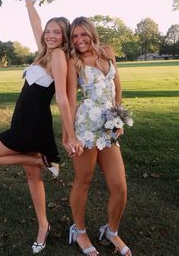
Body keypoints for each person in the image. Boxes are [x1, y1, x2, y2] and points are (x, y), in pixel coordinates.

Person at [0, 0, 82, 254]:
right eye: (49, 31)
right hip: (25, 120)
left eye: (57, 32)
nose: (50, 35)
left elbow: (63, 99)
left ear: (65, 36)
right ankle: (43, 226)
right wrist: (28, 1)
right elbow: (36, 24)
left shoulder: (58, 57)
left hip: (31, 124)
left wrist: (70, 135)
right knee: (32, 177)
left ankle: (42, 160)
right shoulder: (45, 51)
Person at [63, 16, 132, 256]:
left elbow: (117, 87)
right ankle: (79, 230)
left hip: (108, 127)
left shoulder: (107, 53)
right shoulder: (74, 62)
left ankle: (111, 231)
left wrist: (119, 118)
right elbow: (70, 99)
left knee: (120, 186)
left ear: (92, 33)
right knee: (84, 180)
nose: (79, 40)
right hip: (85, 127)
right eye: (74, 36)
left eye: (83, 34)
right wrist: (69, 135)